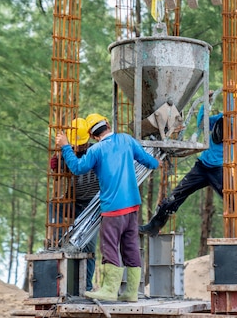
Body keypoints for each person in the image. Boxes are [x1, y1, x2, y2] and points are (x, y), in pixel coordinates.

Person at [56, 113, 161, 302]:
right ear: (107, 124)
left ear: (93, 135)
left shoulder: (97, 150)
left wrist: (65, 146)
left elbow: (78, 168)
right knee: (130, 247)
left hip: (113, 208)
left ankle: (110, 290)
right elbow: (149, 161)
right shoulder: (126, 140)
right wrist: (157, 162)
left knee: (109, 247)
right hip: (132, 206)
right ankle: (130, 292)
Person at [139, 92, 237, 236]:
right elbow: (202, 123)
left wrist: (229, 103)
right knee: (176, 195)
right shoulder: (222, 118)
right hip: (202, 166)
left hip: (220, 169)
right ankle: (154, 225)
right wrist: (206, 103)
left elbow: (232, 125)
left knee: (235, 199)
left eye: (233, 100)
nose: (230, 102)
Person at [50, 117, 99, 291]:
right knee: (54, 205)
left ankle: (85, 287)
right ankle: (55, 241)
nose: (79, 147)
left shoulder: (96, 151)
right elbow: (63, 168)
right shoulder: (68, 152)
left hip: (93, 206)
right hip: (74, 201)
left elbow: (78, 167)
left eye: (82, 143)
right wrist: (57, 165)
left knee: (89, 247)